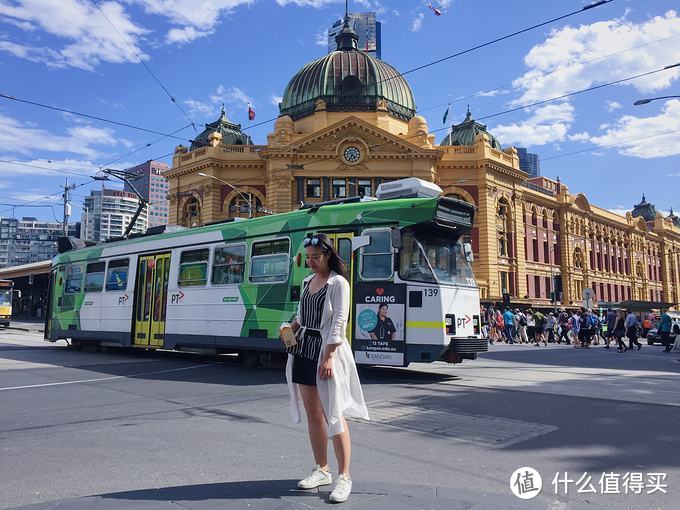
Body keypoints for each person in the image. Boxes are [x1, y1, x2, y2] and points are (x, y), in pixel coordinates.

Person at [286, 233, 369, 503]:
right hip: (303, 349)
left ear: (328, 256)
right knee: (313, 414)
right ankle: (322, 469)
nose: (311, 262)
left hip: (325, 350)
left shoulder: (338, 283)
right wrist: (290, 328)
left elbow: (340, 322)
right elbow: (301, 314)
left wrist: (330, 356)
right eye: (308, 257)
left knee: (334, 413)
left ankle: (344, 476)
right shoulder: (308, 280)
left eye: (316, 257)